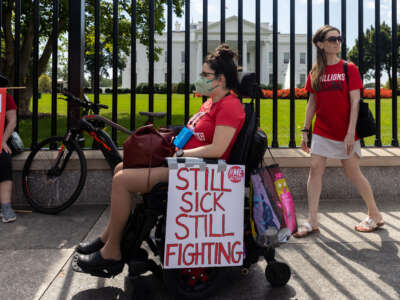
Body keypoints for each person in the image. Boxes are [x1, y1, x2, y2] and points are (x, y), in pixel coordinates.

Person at [76, 44, 245, 275]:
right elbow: (192, 134)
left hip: (200, 172)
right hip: (181, 163)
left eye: (205, 75)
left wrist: (182, 154)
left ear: (221, 79)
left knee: (122, 181)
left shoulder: (230, 106)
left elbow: (218, 149)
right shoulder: (209, 104)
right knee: (119, 167)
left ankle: (112, 250)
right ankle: (108, 238)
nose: (201, 79)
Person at [294, 25, 384, 238]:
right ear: (320, 44)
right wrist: (305, 130)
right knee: (315, 169)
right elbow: (312, 102)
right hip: (322, 129)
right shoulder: (316, 71)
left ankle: (375, 214)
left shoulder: (348, 68)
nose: (337, 42)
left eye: (339, 39)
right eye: (332, 39)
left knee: (353, 172)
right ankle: (313, 220)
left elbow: (355, 101)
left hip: (345, 130)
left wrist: (350, 132)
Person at [0, 74, 17, 223]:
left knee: (4, 160)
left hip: (2, 140)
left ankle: (6, 206)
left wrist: (3, 141)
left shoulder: (6, 98)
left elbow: (12, 121)